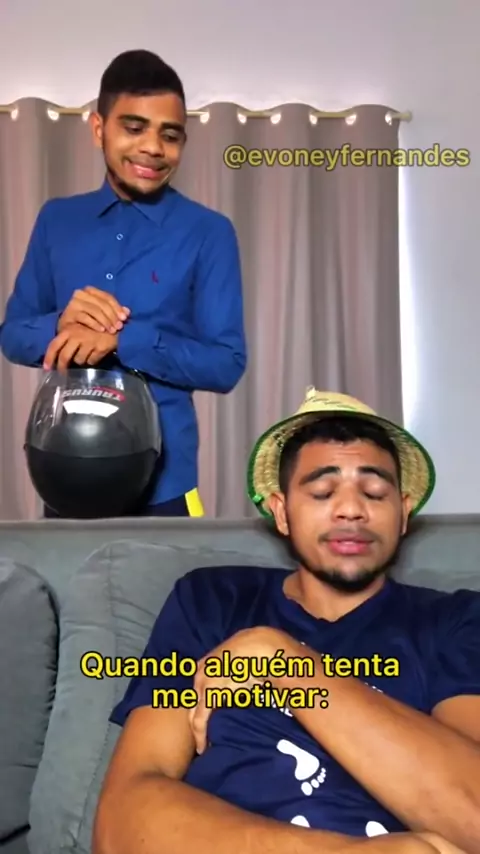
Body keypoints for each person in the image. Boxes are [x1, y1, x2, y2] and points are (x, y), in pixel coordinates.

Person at [92, 388, 480, 854]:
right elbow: (121, 820)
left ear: (403, 513)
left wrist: (281, 659)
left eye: (375, 493)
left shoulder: (456, 621)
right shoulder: (212, 601)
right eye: (322, 492)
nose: (351, 509)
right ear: (281, 512)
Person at [0, 49, 247, 518]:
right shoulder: (57, 220)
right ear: (99, 129)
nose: (153, 147)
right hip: (64, 474)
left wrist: (124, 340)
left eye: (170, 135)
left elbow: (226, 364)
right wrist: (61, 324)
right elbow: (11, 336)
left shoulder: (209, 232)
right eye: (134, 128)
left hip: (167, 490)